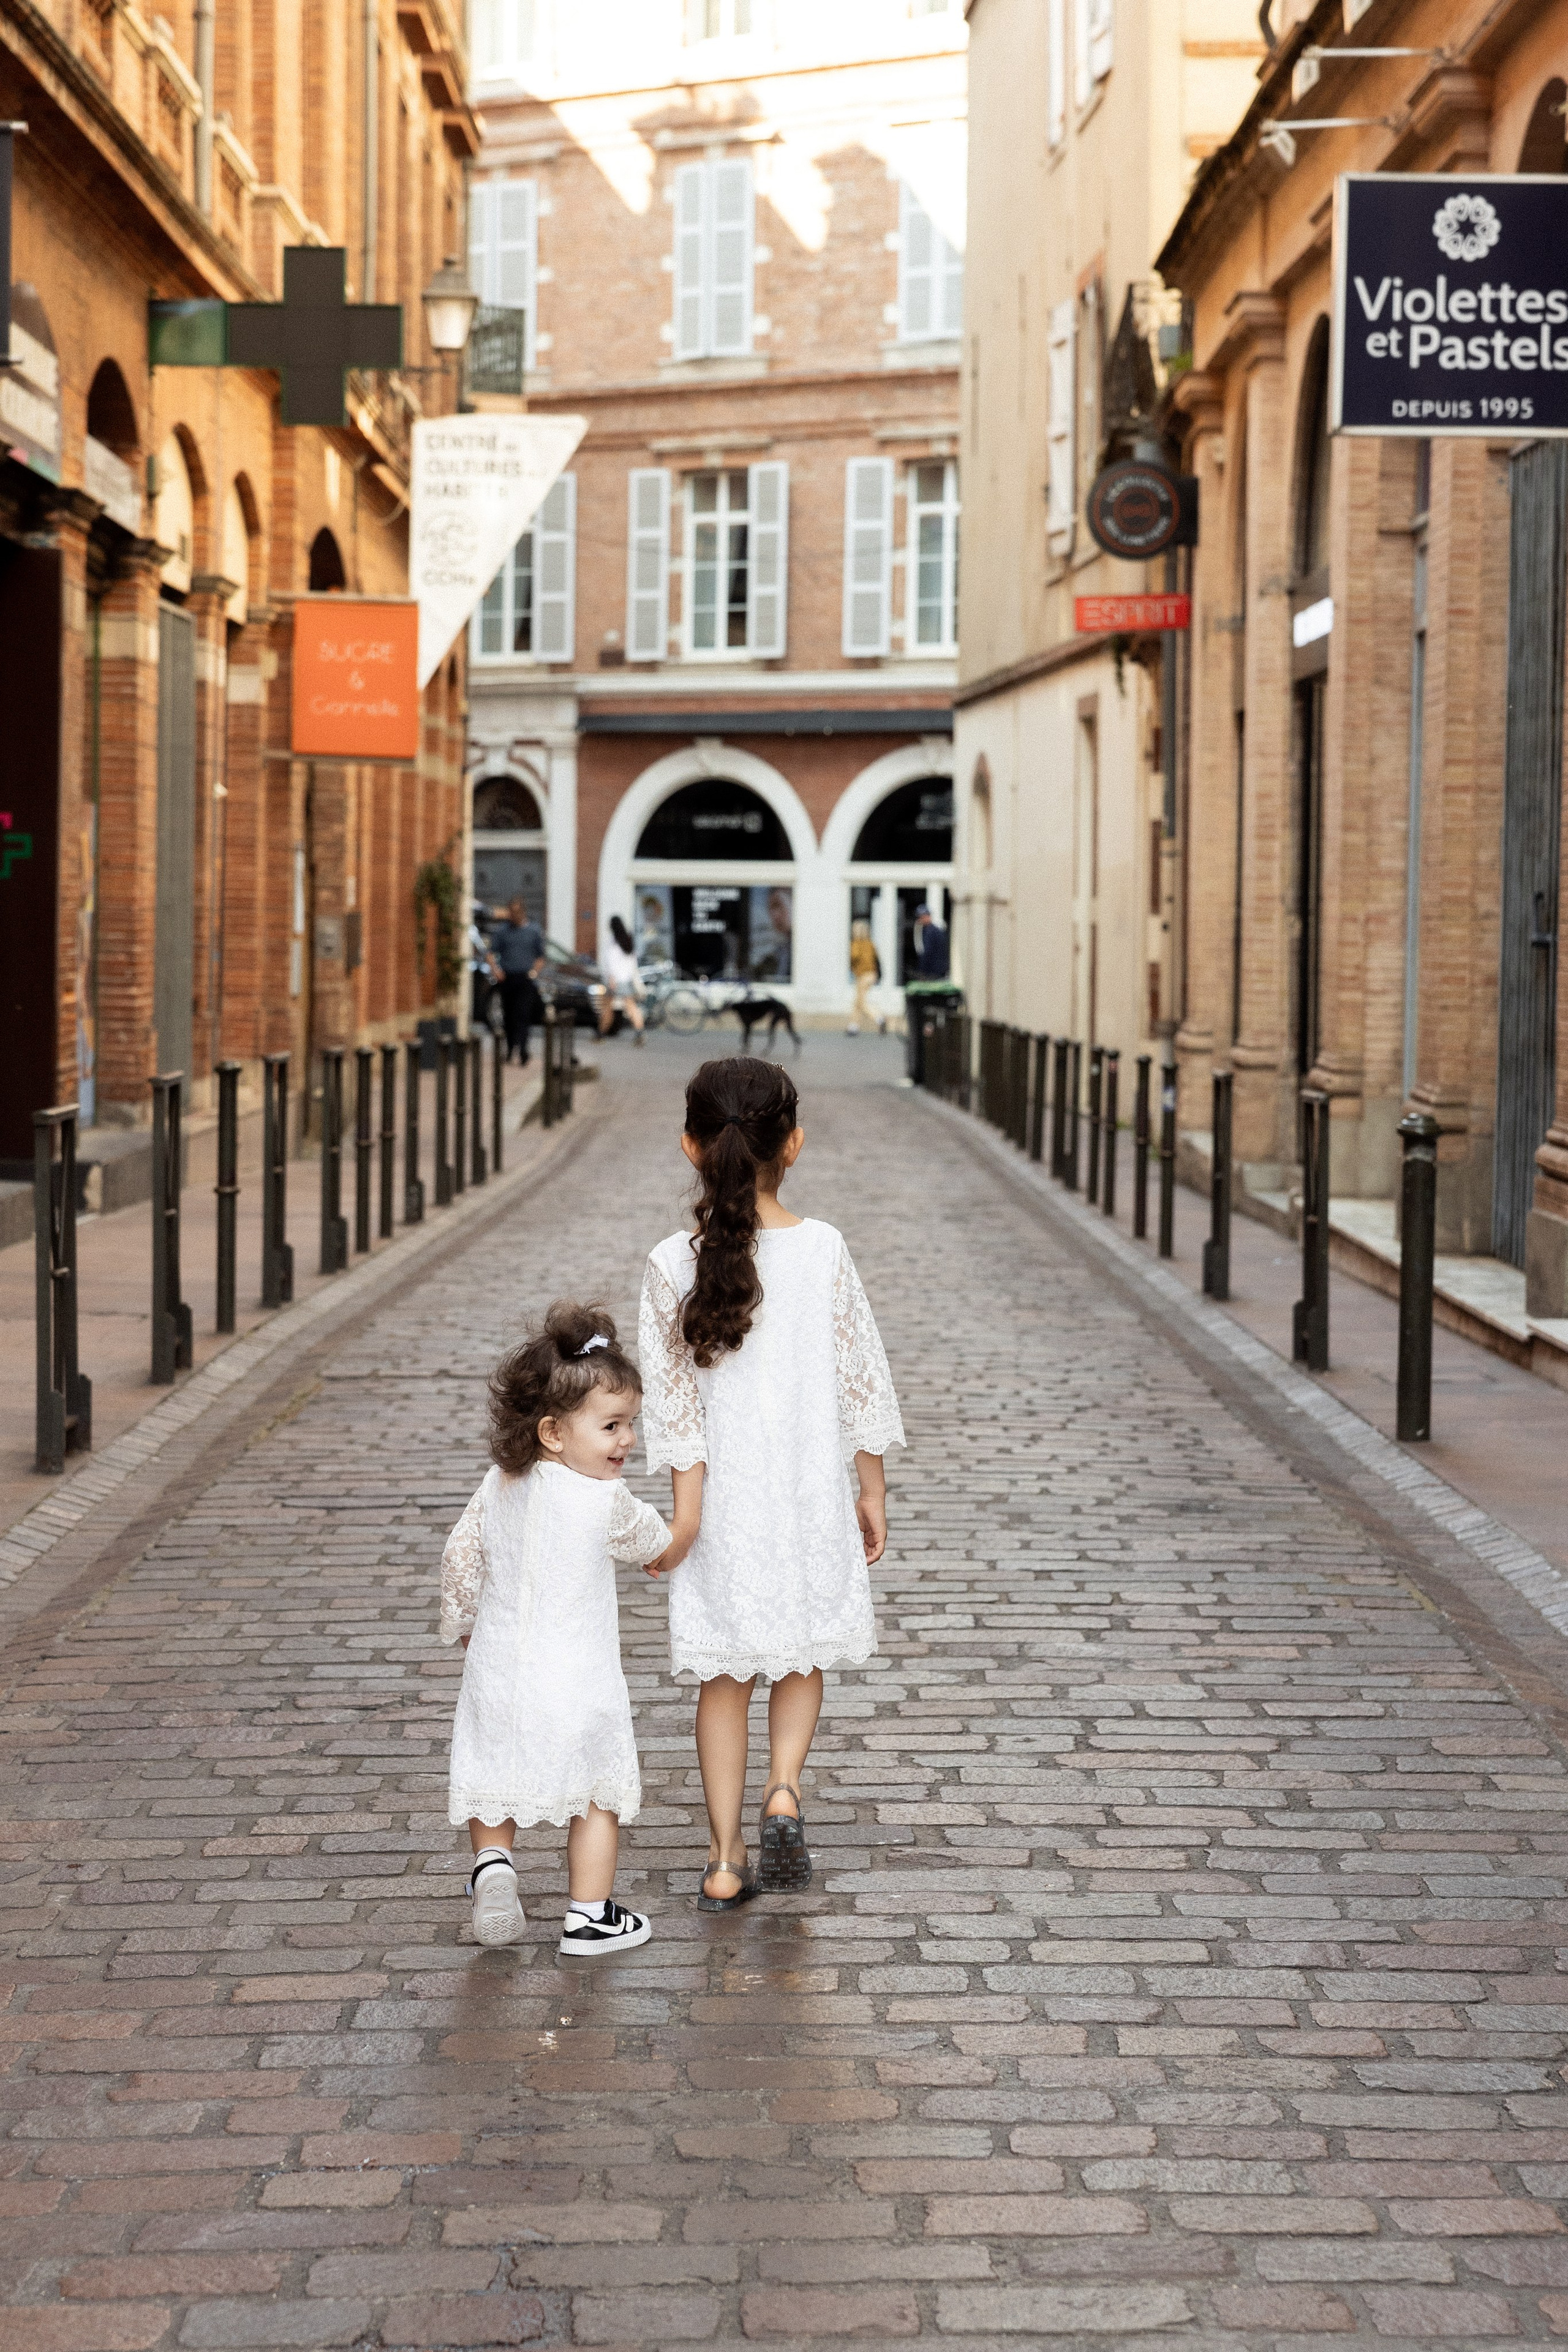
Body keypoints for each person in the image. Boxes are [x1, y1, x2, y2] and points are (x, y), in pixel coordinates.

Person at [637, 1057, 904, 1912]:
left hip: (723, 1508)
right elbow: (861, 1379)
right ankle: (783, 1786)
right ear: (794, 1144)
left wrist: (685, 1521)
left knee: (724, 1681)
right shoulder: (822, 1248)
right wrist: (871, 1489)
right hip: (806, 1494)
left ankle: (724, 1859)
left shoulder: (669, 1265)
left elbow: (675, 1414)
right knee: (801, 1654)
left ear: (690, 1146)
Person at [439, 1302, 674, 1952]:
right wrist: (679, 1531)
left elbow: (460, 1556)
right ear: (553, 1433)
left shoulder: (498, 1484)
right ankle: (589, 1916)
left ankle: (494, 1865)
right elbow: (655, 1542)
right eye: (612, 1426)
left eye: (631, 1424)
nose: (627, 1440)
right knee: (596, 1792)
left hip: (498, 1671)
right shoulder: (604, 1499)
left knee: (493, 1780)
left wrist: (463, 1624)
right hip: (577, 1676)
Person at [492, 897, 545, 1065]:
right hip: (507, 977)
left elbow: (541, 956)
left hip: (525, 979)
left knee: (523, 1014)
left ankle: (523, 1050)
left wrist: (534, 972)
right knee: (508, 1015)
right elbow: (491, 953)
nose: (513, 916)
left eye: (516, 912)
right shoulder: (502, 931)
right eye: (511, 912)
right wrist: (496, 971)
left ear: (523, 912)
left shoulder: (534, 931)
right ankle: (510, 1049)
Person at [598, 913, 646, 1045]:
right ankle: (640, 1033)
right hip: (627, 980)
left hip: (615, 980)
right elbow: (633, 962)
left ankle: (601, 1034)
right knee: (631, 1008)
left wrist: (612, 979)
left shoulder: (612, 942)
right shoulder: (627, 940)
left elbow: (610, 963)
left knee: (607, 1008)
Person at [846, 918, 883, 1036]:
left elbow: (854, 957)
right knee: (858, 1001)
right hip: (872, 974)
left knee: (861, 1002)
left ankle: (879, 1018)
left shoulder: (856, 944)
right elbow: (876, 959)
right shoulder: (870, 943)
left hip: (863, 975)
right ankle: (853, 1026)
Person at [913, 903, 950, 980]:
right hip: (938, 970)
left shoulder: (931, 932)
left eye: (922, 917)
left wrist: (922, 970)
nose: (920, 920)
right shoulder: (932, 930)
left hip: (933, 971)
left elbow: (927, 952)